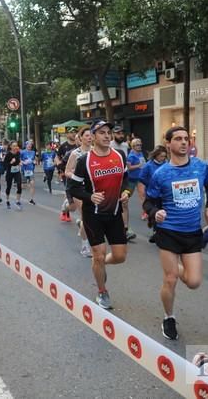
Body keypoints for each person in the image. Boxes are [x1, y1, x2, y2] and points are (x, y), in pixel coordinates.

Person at [144, 126, 208, 340]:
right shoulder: (161, 174)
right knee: (171, 279)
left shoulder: (200, 167)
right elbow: (149, 201)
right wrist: (155, 212)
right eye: (178, 139)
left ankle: (177, 267)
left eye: (186, 139)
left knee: (194, 282)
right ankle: (169, 317)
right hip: (169, 232)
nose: (184, 142)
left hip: (192, 231)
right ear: (168, 144)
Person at [68, 120, 130, 309]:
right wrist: (89, 196)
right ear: (93, 136)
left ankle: (100, 266)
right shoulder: (83, 161)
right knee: (99, 255)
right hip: (93, 214)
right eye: (101, 132)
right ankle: (102, 292)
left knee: (120, 256)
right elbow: (73, 187)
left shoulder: (119, 156)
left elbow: (125, 179)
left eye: (108, 132)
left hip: (114, 213)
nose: (106, 136)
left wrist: (126, 192)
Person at [65, 126, 94, 257]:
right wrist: (77, 177)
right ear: (81, 138)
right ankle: (84, 246)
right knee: (86, 217)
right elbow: (67, 171)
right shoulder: (75, 153)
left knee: (91, 217)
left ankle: (80, 224)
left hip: (92, 189)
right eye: (87, 135)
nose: (89, 138)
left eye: (91, 135)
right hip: (78, 188)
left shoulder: (95, 152)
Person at [56, 126, 79, 221]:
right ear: (67, 134)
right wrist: (60, 170)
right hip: (67, 173)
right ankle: (66, 212)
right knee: (68, 192)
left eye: (75, 132)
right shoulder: (63, 146)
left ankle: (67, 210)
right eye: (71, 132)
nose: (73, 134)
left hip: (78, 173)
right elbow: (57, 158)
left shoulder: (78, 146)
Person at [3, 141, 23, 210]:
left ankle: (17, 201)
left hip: (17, 171)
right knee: (9, 186)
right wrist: (11, 162)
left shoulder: (18, 153)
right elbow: (4, 165)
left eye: (16, 146)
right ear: (11, 147)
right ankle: (7, 200)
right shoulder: (8, 154)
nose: (15, 147)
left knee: (19, 185)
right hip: (9, 172)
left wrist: (20, 162)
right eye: (14, 146)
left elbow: (18, 160)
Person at [20, 140, 37, 205]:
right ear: (26, 145)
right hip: (24, 170)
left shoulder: (33, 152)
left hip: (31, 170)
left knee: (32, 184)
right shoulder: (22, 152)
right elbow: (19, 159)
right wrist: (23, 162)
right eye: (28, 144)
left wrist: (34, 161)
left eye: (30, 144)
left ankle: (31, 199)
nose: (30, 145)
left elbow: (34, 159)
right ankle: (18, 198)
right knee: (23, 186)